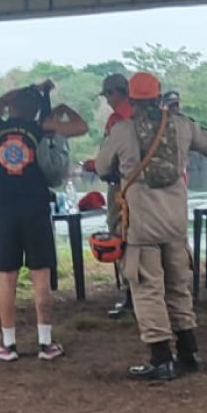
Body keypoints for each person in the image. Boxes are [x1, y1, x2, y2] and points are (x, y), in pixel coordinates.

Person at [94, 72, 207, 381]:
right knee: (178, 286)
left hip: (141, 227)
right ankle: (190, 353)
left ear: (130, 98)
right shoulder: (180, 125)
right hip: (175, 223)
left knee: (147, 289)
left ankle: (162, 358)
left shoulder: (122, 130)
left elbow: (101, 167)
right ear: (159, 95)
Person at [0, 81, 88, 362]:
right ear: (35, 111)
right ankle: (45, 343)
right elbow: (80, 126)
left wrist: (22, 91)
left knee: (7, 280)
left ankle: (8, 344)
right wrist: (60, 108)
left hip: (4, 212)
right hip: (36, 209)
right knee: (40, 278)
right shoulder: (42, 129)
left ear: (11, 107)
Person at [91, 71, 133, 318]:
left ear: (116, 92)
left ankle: (129, 294)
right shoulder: (149, 116)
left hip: (121, 187)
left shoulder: (117, 120)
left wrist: (96, 165)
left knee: (119, 234)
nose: (107, 100)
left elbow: (108, 159)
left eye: (108, 94)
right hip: (146, 190)